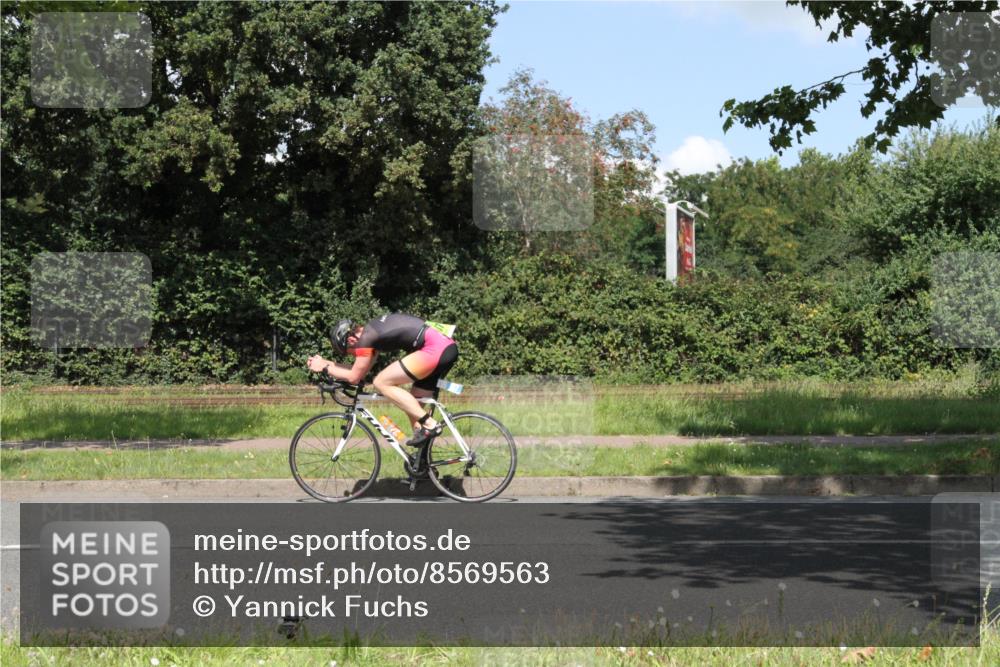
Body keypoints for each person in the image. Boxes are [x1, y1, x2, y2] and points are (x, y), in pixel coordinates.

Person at [306, 313, 458, 446]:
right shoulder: (373, 333)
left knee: (381, 382)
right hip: (444, 348)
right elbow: (359, 371)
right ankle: (423, 466)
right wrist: (326, 363)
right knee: (414, 410)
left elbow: (354, 377)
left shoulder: (366, 339)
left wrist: (325, 368)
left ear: (351, 341)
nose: (354, 356)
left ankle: (431, 424)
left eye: (349, 353)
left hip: (434, 349)